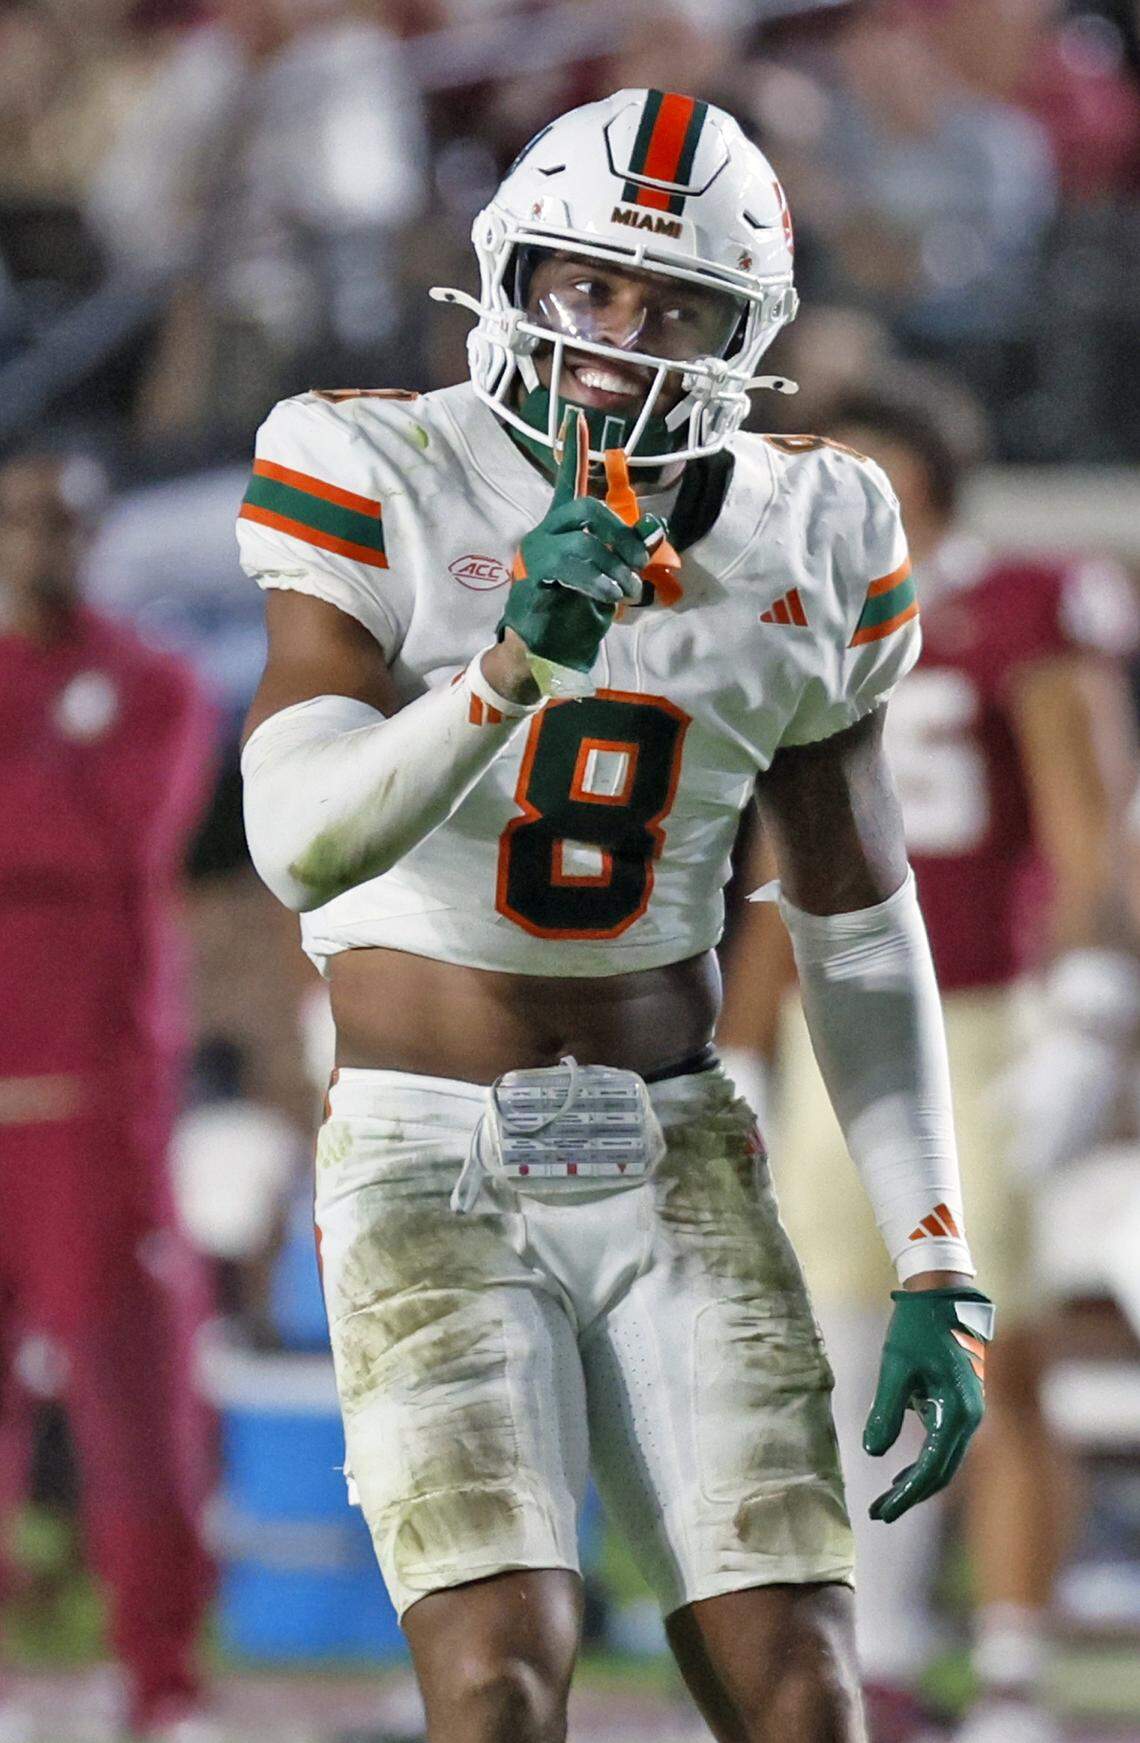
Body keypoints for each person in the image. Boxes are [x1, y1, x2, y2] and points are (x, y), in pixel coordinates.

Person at [238, 90, 994, 1743]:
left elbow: (858, 924)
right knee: (501, 1685)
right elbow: (297, 841)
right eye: (587, 287)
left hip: (673, 1139)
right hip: (425, 1146)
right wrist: (507, 667)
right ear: (513, 273)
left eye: (673, 307)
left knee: (805, 1697)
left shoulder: (823, 523)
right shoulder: (373, 461)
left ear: (750, 333)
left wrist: (937, 1255)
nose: (616, 338)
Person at [718, 374, 1140, 1743]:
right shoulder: (798, 626)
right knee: (839, 1351)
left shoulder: (1022, 596)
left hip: (984, 1012)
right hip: (837, 1016)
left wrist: (1088, 1001)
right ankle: (884, 1652)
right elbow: (782, 859)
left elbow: (1088, 819)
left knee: (984, 1347)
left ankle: (1013, 1670)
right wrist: (740, 1047)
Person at [0, 453, 219, 1743]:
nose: (41, 540)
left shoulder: (152, 682)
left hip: (89, 1100)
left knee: (134, 1404)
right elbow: (61, 836)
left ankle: (162, 1685)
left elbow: (117, 842)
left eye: (63, 519)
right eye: (20, 517)